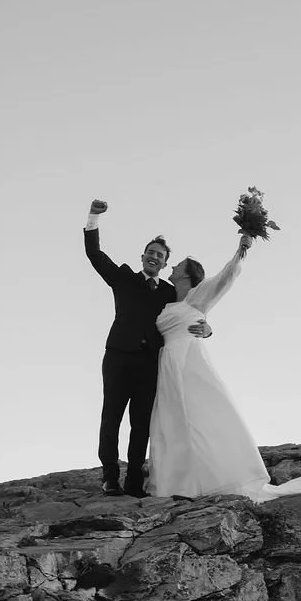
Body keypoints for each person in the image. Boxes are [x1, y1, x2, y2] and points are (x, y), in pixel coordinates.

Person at [147, 230, 301, 511]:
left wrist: (242, 249)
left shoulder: (197, 297)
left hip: (188, 362)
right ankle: (177, 481)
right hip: (168, 363)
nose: (173, 266)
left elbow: (226, 278)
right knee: (171, 421)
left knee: (196, 420)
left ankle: (202, 482)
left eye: (177, 266)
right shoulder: (168, 300)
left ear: (188, 274)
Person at [83, 199, 206, 497]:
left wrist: (208, 329)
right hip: (117, 357)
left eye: (159, 255)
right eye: (150, 252)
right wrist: (93, 218)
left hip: (150, 363)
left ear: (165, 264)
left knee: (141, 424)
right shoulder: (123, 278)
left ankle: (134, 481)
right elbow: (94, 254)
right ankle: (110, 477)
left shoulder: (169, 293)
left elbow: (191, 313)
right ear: (142, 257)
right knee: (111, 416)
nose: (154, 257)